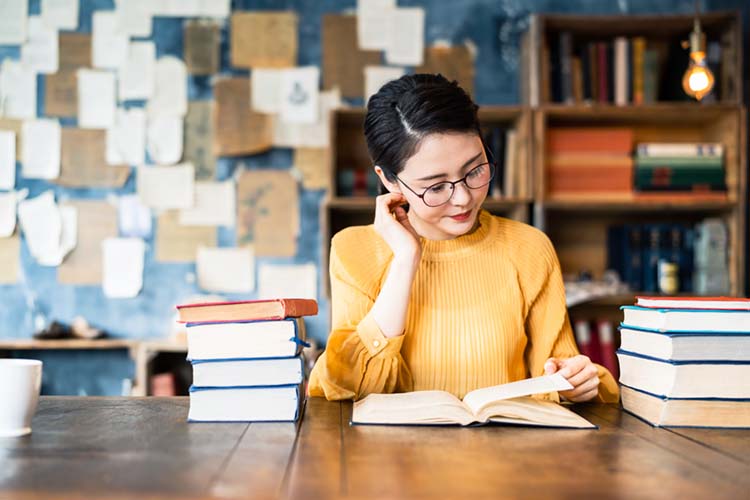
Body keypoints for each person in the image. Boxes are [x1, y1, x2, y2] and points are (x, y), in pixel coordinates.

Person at [309, 74, 619, 404]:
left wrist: (575, 383)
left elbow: (557, 372)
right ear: (389, 180)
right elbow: (350, 389)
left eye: (474, 170)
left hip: (511, 452)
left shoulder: (529, 249)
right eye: (436, 186)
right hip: (392, 455)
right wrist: (405, 261)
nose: (463, 198)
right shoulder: (354, 251)